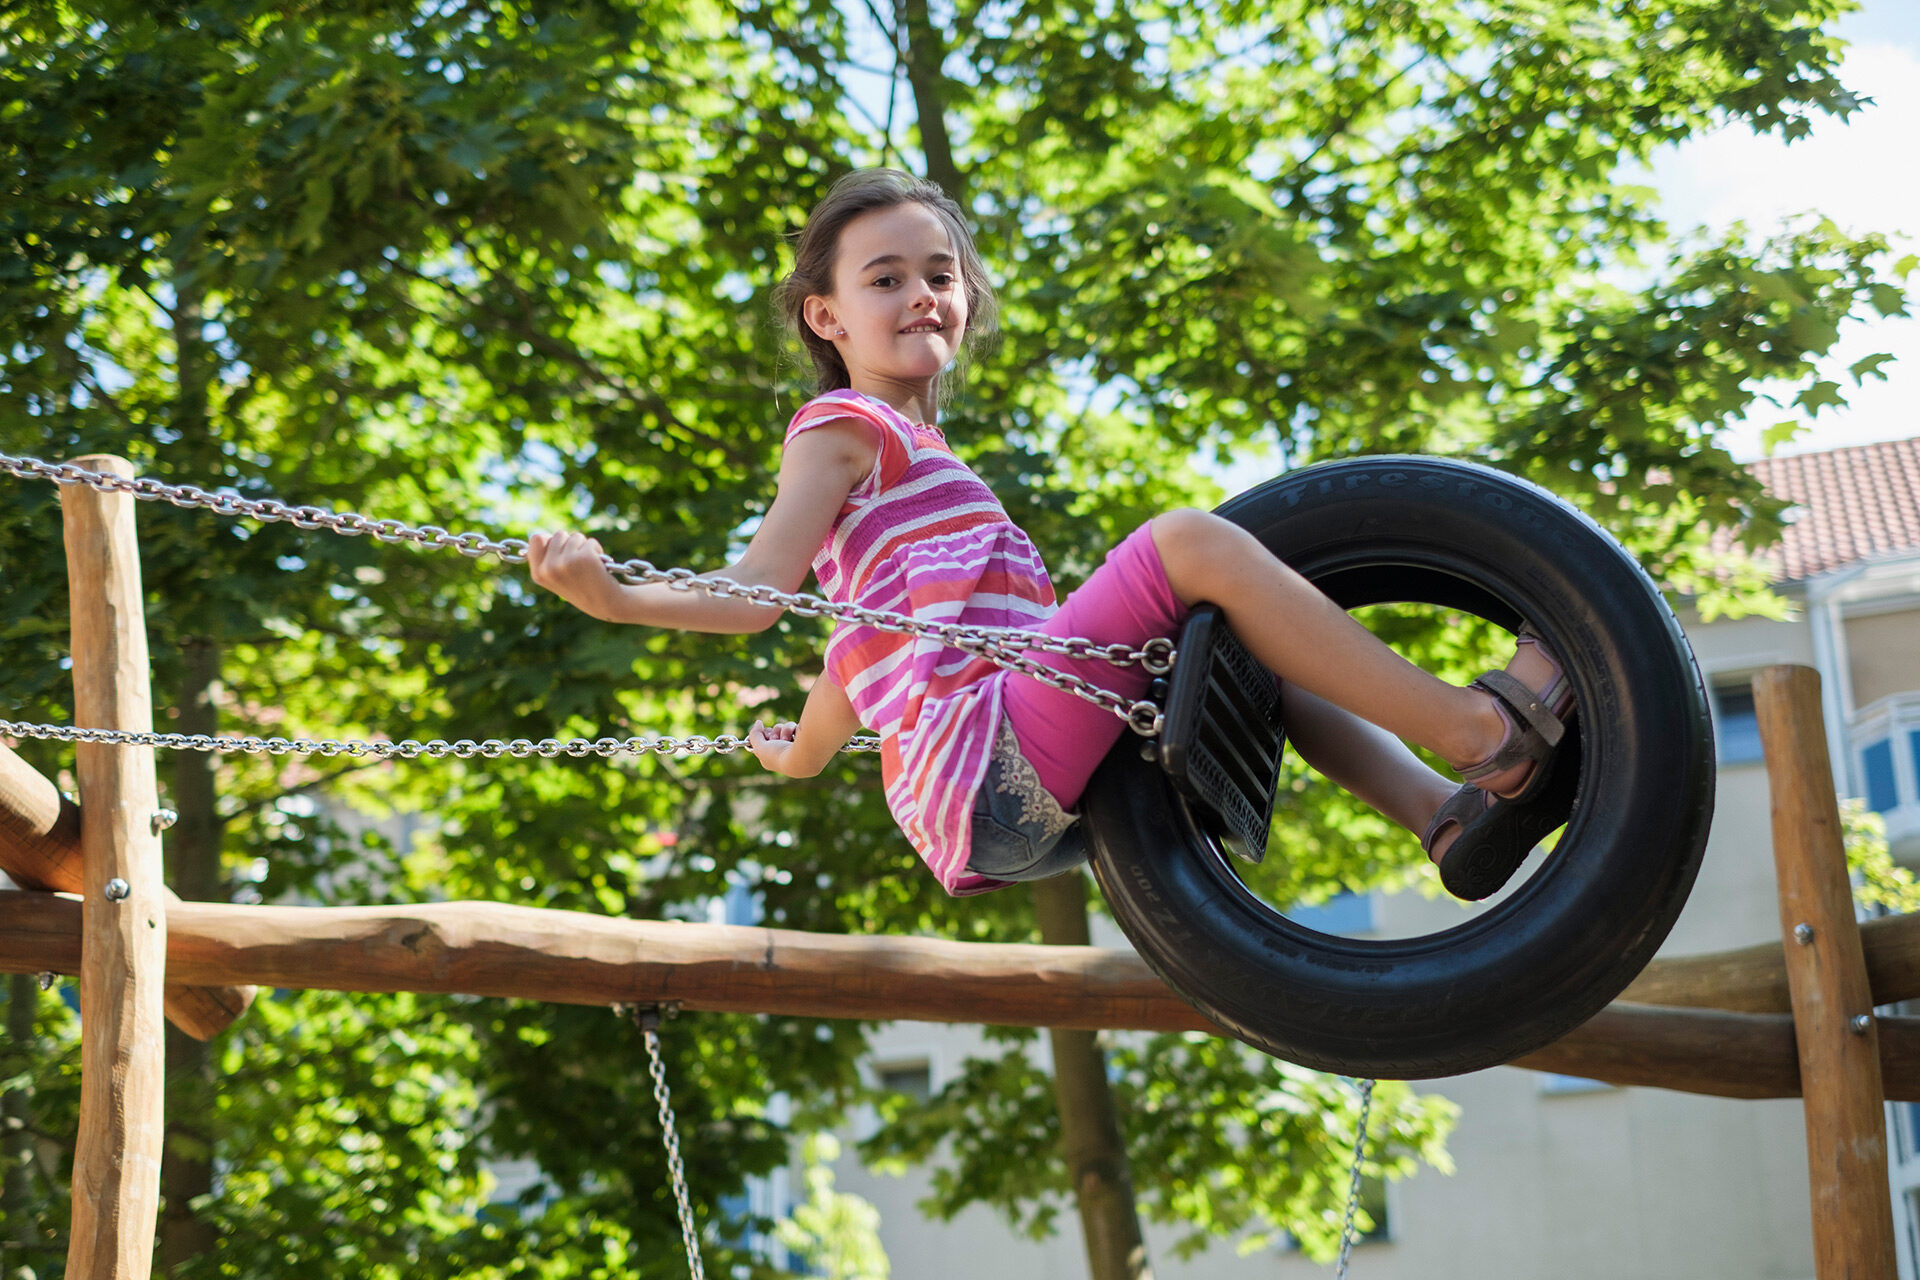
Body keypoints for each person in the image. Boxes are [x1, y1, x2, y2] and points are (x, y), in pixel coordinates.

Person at [526, 169, 1572, 902]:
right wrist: (619, 598)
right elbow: (763, 589)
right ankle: (1482, 735)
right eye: (883, 279)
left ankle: (1443, 818)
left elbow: (860, 656)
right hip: (986, 763)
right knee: (1187, 546)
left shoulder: (920, 485)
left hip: (989, 806)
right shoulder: (844, 427)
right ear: (825, 318)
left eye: (939, 274)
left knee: (1231, 632)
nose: (920, 294)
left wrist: (799, 755)